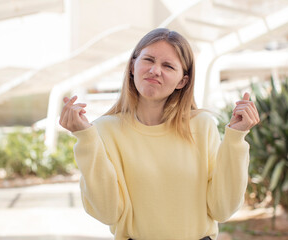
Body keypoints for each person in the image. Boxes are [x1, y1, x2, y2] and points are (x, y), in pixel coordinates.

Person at [59, 28, 260, 240]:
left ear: (182, 81)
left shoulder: (202, 126)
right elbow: (108, 213)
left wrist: (236, 139)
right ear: (132, 67)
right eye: (149, 60)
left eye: (168, 66)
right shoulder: (102, 131)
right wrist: (85, 139)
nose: (155, 70)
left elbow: (222, 209)